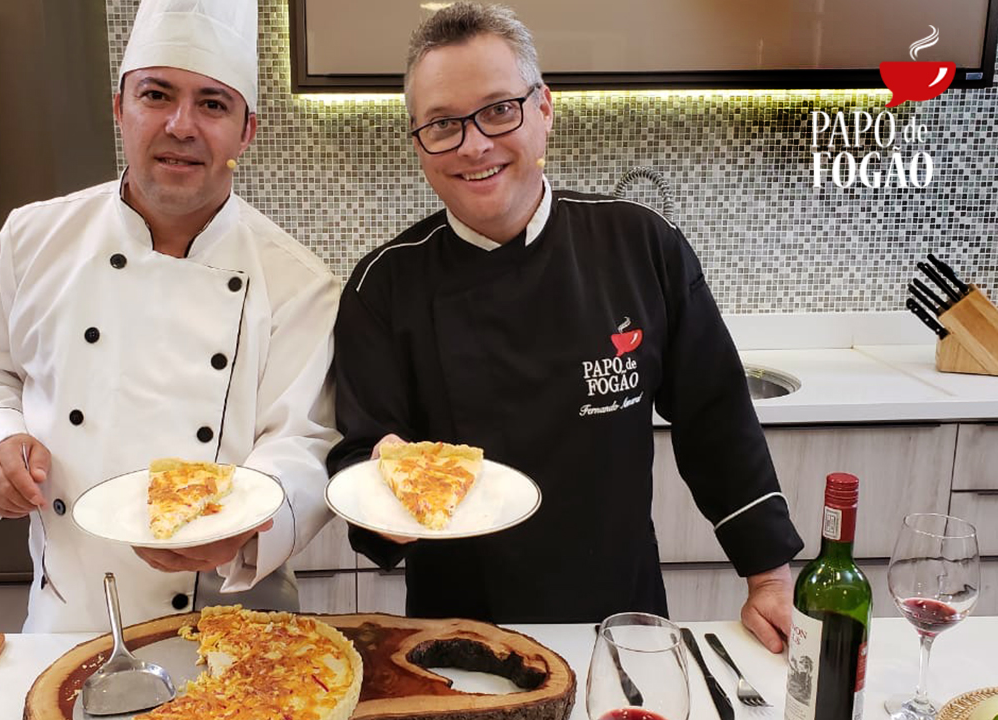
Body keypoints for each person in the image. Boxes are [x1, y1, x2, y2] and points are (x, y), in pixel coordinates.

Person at [326, 2, 804, 652]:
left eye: (499, 109)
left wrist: (769, 575)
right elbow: (361, 452)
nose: (474, 144)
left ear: (544, 109)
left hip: (621, 621)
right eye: (442, 124)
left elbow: (716, 420)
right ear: (419, 144)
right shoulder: (382, 284)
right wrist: (382, 494)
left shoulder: (641, 245)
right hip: (457, 633)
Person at [0, 0, 338, 633]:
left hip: (232, 619)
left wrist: (237, 531)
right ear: (119, 107)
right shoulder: (31, 238)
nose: (181, 125)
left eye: (213, 104)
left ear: (246, 132)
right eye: (157, 95)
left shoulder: (298, 280)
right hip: (69, 615)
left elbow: (305, 441)